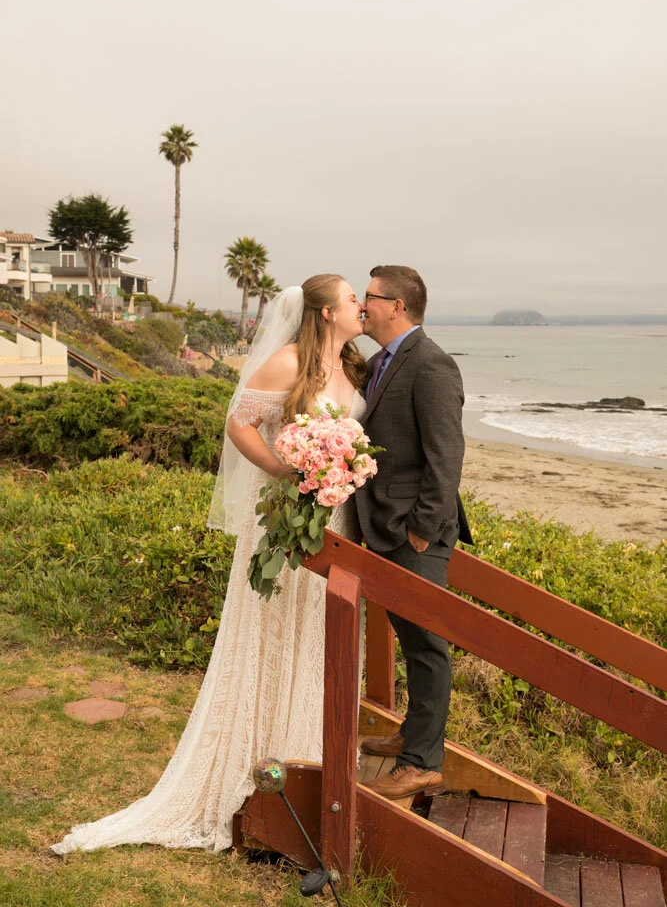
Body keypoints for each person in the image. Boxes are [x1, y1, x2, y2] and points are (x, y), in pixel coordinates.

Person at [51, 275, 367, 855]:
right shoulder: (288, 361)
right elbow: (238, 422)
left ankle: (310, 761)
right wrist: (283, 469)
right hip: (286, 523)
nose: (361, 307)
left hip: (335, 522)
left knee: (315, 637)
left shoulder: (352, 365)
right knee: (271, 636)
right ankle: (254, 767)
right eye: (352, 300)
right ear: (324, 312)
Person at [356, 265, 473, 800]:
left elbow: (446, 457)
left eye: (371, 297)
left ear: (397, 306)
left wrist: (423, 531)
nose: (363, 305)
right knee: (410, 636)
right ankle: (413, 734)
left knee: (427, 644)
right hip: (388, 525)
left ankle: (423, 761)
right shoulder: (384, 360)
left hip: (415, 530)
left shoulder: (432, 364)